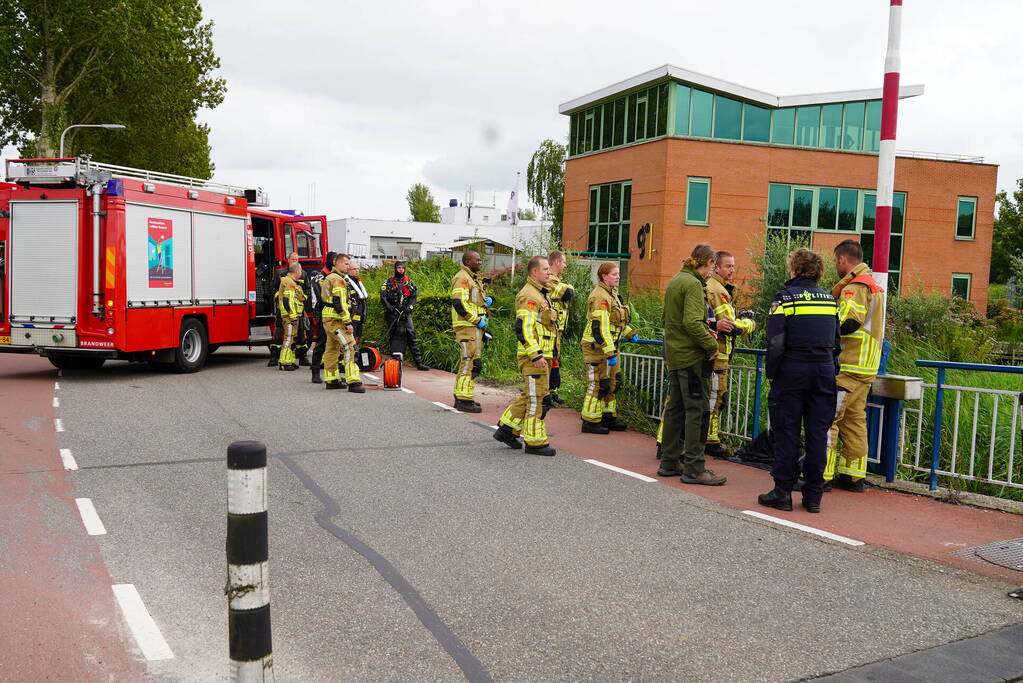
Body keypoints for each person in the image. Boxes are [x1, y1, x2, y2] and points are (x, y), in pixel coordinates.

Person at [758, 248, 841, 513]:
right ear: (819, 272)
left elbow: (775, 341)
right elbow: (836, 341)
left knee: (787, 431)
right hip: (823, 371)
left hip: (792, 370)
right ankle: (813, 496)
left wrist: (772, 372)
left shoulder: (785, 298)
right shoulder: (829, 299)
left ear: (794, 269)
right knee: (818, 434)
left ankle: (782, 492)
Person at [657, 245, 726, 485]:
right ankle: (695, 467)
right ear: (706, 262)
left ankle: (669, 461)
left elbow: (668, 319)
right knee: (698, 410)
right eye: (712, 266)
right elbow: (692, 322)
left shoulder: (677, 279)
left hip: (676, 355)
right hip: (691, 358)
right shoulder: (694, 284)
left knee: (675, 409)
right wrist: (712, 346)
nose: (712, 272)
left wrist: (701, 331)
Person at [825, 239, 885, 493]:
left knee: (827, 418)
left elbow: (848, 322)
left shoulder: (855, 287)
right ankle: (853, 475)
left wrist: (823, 334)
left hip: (849, 364)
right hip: (867, 367)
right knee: (854, 421)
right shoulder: (874, 286)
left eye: (835, 261)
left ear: (843, 259)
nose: (835, 265)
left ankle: (820, 474)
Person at [493, 256, 558, 456]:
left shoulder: (541, 293)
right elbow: (524, 328)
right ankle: (535, 442)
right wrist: (536, 355)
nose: (549, 272)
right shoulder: (530, 295)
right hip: (534, 358)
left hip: (543, 356)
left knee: (530, 395)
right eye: (546, 269)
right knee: (537, 399)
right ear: (534, 272)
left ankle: (507, 429)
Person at [704, 251, 757, 458]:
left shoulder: (718, 288)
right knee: (715, 398)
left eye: (734, 266)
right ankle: (710, 440)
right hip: (717, 355)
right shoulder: (718, 290)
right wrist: (750, 323)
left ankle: (710, 438)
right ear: (716, 267)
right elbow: (729, 326)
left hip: (718, 355)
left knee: (716, 397)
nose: (732, 270)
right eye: (728, 266)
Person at [580, 262, 638, 434]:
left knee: (613, 383)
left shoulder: (613, 294)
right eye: (614, 274)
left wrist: (629, 333)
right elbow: (600, 327)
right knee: (598, 384)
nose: (618, 277)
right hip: (597, 347)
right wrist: (609, 351)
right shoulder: (600, 296)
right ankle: (590, 421)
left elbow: (615, 323)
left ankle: (608, 417)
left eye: (618, 274)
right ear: (604, 276)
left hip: (610, 347)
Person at [450, 251, 489, 413]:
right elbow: (458, 303)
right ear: (467, 261)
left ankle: (463, 396)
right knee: (469, 362)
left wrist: (485, 302)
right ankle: (463, 399)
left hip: (474, 328)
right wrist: (476, 320)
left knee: (472, 362)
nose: (480, 262)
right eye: (477, 260)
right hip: (467, 327)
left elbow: (471, 302)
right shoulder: (463, 278)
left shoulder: (472, 278)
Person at [320, 253, 365, 393]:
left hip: (329, 318)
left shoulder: (330, 277)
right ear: (337, 263)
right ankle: (353, 381)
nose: (348, 266)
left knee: (332, 349)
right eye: (345, 264)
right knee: (350, 346)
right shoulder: (338, 280)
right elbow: (339, 302)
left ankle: (332, 380)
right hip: (336, 320)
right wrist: (348, 322)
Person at [381, 261, 429, 371]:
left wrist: (409, 308)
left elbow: (414, 297)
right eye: (399, 267)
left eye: (402, 268)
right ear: (395, 268)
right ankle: (395, 362)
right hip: (393, 313)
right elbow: (383, 297)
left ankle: (419, 363)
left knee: (411, 335)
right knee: (394, 336)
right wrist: (391, 308)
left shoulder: (409, 282)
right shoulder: (388, 282)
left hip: (406, 313)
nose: (401, 270)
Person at [544, 250, 574, 408]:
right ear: (556, 262)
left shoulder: (557, 280)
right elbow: (568, 293)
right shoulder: (548, 278)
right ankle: (545, 393)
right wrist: (568, 288)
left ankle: (552, 391)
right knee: (548, 359)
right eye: (563, 262)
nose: (565, 265)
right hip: (548, 327)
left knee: (555, 359)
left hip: (557, 328)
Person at [268, 251, 301, 367]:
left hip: (295, 311)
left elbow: (305, 291)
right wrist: (279, 297)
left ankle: (291, 359)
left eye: (297, 259)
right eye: (293, 259)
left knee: (294, 337)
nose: (295, 261)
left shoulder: (301, 275)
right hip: (286, 312)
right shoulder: (281, 273)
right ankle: (277, 358)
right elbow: (274, 290)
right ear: (288, 260)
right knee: (282, 335)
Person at [307, 251, 335, 384]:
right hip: (322, 314)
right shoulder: (320, 277)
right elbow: (322, 297)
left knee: (334, 345)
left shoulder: (336, 276)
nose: (335, 263)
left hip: (335, 315)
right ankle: (315, 372)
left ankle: (332, 374)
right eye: (333, 260)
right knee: (321, 343)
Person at [275, 263, 307, 371]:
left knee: (292, 338)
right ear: (296, 271)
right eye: (300, 271)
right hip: (289, 317)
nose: (301, 273)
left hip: (292, 316)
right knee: (288, 338)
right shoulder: (289, 282)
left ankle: (290, 360)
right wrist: (293, 317)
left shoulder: (291, 281)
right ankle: (284, 362)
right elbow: (287, 301)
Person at [344, 261, 369, 341]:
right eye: (354, 269)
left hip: (360, 314)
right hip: (351, 315)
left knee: (357, 336)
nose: (357, 271)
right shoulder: (346, 282)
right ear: (348, 270)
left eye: (358, 269)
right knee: (351, 337)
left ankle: (356, 347)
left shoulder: (358, 281)